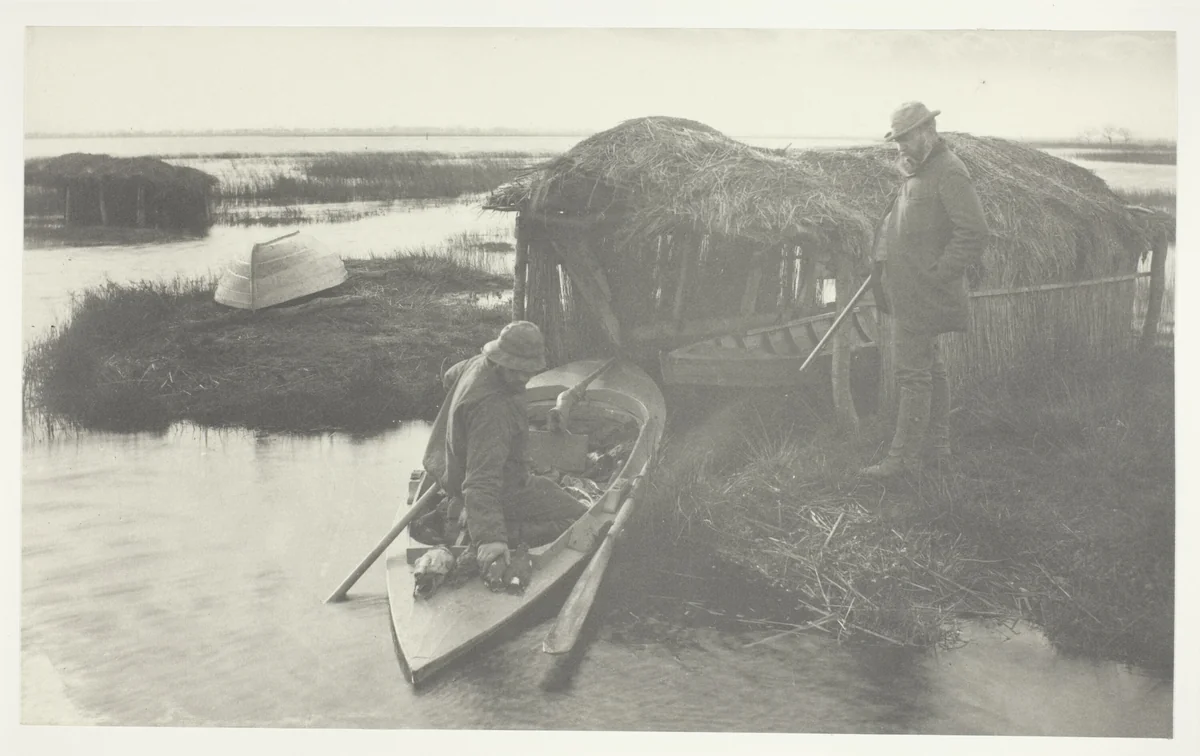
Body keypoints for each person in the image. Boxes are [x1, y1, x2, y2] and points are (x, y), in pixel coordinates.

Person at [861, 102, 989, 481]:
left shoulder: (949, 172)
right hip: (909, 291)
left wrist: (939, 274)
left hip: (924, 292)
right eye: (896, 139)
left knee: (912, 375)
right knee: (931, 370)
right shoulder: (920, 171)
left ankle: (903, 460)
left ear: (926, 131)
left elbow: (974, 232)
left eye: (904, 138)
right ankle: (937, 449)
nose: (899, 146)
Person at [418, 320, 588, 577]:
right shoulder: (493, 411)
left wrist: (463, 424)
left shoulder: (476, 363)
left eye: (527, 371)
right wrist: (490, 538)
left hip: (447, 470)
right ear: (500, 360)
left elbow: (449, 376)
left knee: (545, 491)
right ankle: (501, 532)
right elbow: (482, 480)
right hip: (500, 487)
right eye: (516, 370)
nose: (523, 377)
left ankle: (457, 510)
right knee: (581, 517)